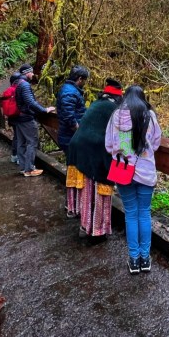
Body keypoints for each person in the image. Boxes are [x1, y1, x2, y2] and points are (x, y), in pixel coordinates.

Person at [105, 85, 162, 274]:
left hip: (123, 172)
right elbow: (155, 143)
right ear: (142, 97)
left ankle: (134, 260)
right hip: (145, 171)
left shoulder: (116, 116)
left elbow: (109, 145)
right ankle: (145, 259)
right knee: (144, 213)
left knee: (131, 214)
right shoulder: (150, 115)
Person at [66, 78, 124, 242]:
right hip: (96, 154)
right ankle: (97, 232)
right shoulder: (115, 110)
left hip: (77, 149)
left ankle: (84, 226)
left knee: (85, 192)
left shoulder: (94, 104)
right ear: (118, 98)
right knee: (98, 194)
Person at [15, 64, 55, 177]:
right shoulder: (25, 85)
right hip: (26, 118)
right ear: (27, 73)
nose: (33, 74)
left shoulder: (18, 83)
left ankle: (23, 168)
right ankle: (29, 169)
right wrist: (44, 110)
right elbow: (30, 102)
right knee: (32, 142)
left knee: (21, 142)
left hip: (19, 117)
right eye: (31, 72)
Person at [56, 65, 89, 156]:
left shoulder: (70, 89)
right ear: (80, 79)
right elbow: (68, 116)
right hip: (70, 136)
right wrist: (78, 131)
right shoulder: (70, 92)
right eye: (85, 80)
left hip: (69, 135)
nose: (85, 83)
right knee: (74, 164)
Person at [6, 72, 23, 164]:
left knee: (16, 136)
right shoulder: (17, 90)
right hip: (18, 117)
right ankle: (20, 158)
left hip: (11, 117)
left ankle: (14, 155)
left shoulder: (8, 90)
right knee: (21, 137)